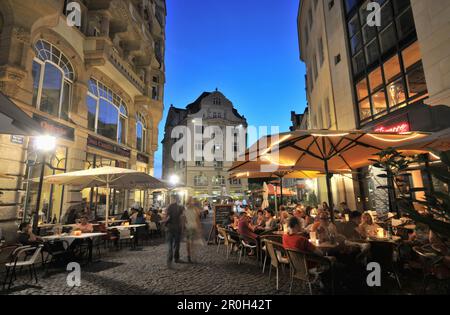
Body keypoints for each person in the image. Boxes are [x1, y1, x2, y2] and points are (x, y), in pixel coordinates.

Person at [162, 196, 185, 268]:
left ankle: (169, 260)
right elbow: (182, 217)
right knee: (177, 244)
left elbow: (167, 217)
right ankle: (176, 258)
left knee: (170, 245)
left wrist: (164, 223)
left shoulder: (169, 207)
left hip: (170, 228)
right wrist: (182, 227)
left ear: (173, 199)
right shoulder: (181, 207)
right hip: (177, 228)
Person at [184, 197, 204, 263]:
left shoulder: (184, 209)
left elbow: (183, 219)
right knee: (192, 243)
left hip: (188, 227)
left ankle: (189, 256)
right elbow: (197, 220)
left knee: (188, 243)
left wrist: (183, 226)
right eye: (191, 201)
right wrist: (199, 228)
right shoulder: (195, 209)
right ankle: (193, 256)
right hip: (193, 227)